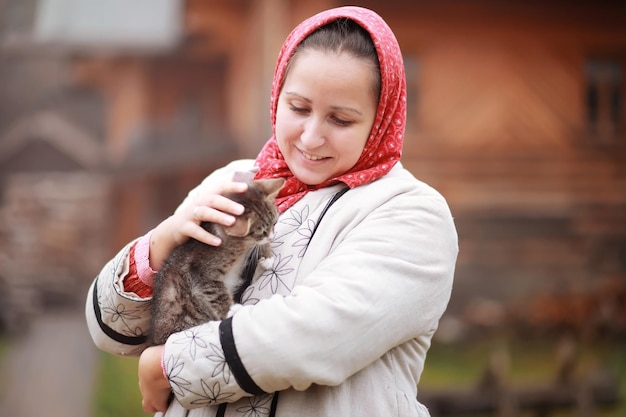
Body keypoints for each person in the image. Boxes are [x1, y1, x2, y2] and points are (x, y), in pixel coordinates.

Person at [85, 5, 458, 417]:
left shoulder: (411, 213)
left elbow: (316, 335)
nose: (311, 136)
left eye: (341, 119)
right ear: (277, 93)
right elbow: (115, 331)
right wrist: (163, 241)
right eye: (298, 108)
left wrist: (166, 364)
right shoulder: (236, 180)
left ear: (380, 121)